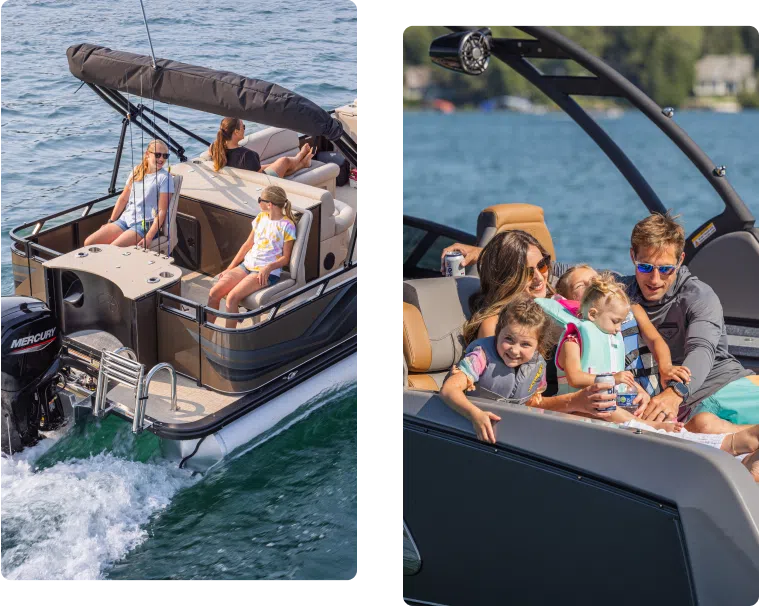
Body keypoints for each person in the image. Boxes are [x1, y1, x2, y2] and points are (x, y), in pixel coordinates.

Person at [444, 230, 619, 419]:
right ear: (506, 278)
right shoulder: (495, 327)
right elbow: (516, 402)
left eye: (542, 265)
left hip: (592, 401)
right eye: (527, 273)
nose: (539, 277)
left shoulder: (557, 305)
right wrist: (576, 401)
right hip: (547, 421)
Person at [619, 212, 759, 434]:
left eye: (665, 269)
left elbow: (701, 349)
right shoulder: (619, 292)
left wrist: (675, 393)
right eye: (645, 267)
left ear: (680, 260)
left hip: (726, 386)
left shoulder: (699, 296)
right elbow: (572, 276)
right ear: (632, 257)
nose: (655, 279)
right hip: (681, 408)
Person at [540, 272, 693, 431]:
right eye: (615, 322)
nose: (619, 329)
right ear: (592, 314)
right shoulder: (573, 340)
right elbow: (575, 378)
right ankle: (649, 427)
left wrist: (636, 389)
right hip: (578, 408)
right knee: (607, 408)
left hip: (602, 404)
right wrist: (614, 378)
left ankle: (648, 423)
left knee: (619, 405)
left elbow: (614, 376)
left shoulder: (610, 343)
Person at [440, 295, 555, 443]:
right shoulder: (480, 357)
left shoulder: (537, 365)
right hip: (469, 433)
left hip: (511, 436)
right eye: (509, 339)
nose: (514, 350)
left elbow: (534, 398)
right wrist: (476, 415)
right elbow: (448, 390)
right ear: (498, 333)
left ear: (538, 345)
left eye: (525, 344)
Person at [207, 185, 296, 328]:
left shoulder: (287, 226)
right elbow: (247, 245)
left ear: (269, 204)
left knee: (232, 298)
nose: (258, 201)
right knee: (214, 293)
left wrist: (269, 267)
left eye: (260, 199)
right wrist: (230, 268)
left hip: (266, 272)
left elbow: (285, 258)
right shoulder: (261, 217)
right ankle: (205, 334)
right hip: (246, 266)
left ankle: (230, 343)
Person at [84, 140, 174, 248]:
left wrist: (149, 236)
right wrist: (111, 221)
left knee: (112, 249)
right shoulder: (137, 170)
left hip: (145, 224)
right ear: (147, 154)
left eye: (165, 156)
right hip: (126, 219)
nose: (161, 159)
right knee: (89, 243)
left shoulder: (165, 178)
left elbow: (162, 211)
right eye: (158, 155)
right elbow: (123, 199)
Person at [209, 117, 316, 177]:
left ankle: (303, 163)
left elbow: (211, 153)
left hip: (246, 178)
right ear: (236, 132)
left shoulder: (215, 148)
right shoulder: (248, 155)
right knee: (284, 161)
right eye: (243, 127)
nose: (244, 129)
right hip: (259, 184)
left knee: (273, 164)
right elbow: (262, 178)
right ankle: (300, 157)